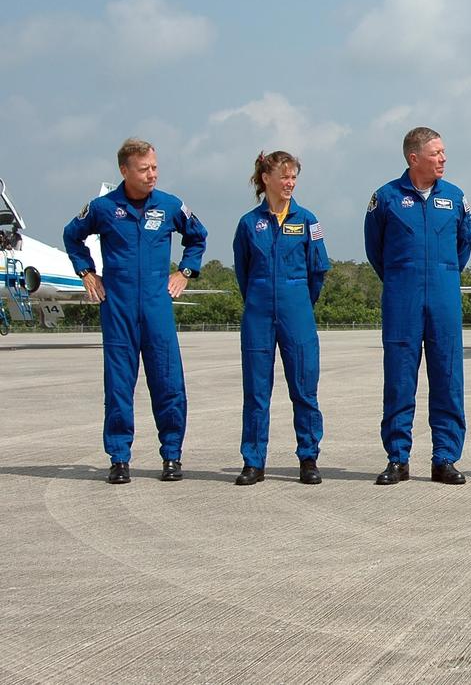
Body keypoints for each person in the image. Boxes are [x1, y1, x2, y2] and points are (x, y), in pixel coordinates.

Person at [63, 138, 208, 484]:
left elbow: (197, 236)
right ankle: (119, 458)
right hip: (118, 308)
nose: (151, 175)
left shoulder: (170, 205)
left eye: (155, 167)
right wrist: (86, 273)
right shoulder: (102, 208)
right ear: (124, 171)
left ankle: (171, 455)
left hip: (157, 307)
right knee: (118, 386)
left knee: (169, 383)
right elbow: (72, 236)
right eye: (144, 169)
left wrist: (185, 271)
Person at [364, 127, 471, 485]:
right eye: (436, 153)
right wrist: (402, 276)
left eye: (443, 152)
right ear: (414, 158)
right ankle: (398, 458)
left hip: (443, 297)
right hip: (402, 298)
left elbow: (464, 245)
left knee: (447, 377)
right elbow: (374, 249)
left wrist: (442, 274)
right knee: (399, 378)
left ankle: (445, 457)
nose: (443, 158)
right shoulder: (386, 199)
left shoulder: (455, 198)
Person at [231, 151, 330, 486]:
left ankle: (308, 457)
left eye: (293, 177)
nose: (289, 183)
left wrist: (299, 300)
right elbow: (242, 272)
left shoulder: (308, 221)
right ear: (266, 180)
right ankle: (253, 461)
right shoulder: (248, 224)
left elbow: (319, 269)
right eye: (284, 177)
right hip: (258, 311)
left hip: (297, 308)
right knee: (256, 390)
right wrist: (261, 297)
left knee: (304, 388)